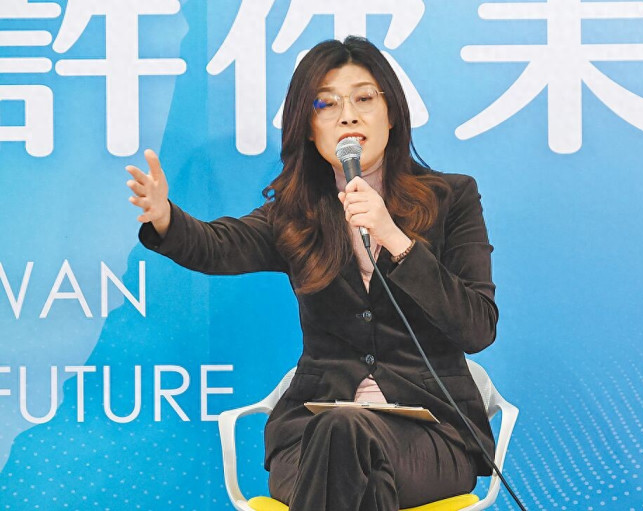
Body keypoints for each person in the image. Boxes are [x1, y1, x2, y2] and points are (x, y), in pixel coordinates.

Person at [126, 36, 498, 511]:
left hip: (430, 435)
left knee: (347, 442)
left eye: (364, 98)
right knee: (346, 450)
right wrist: (165, 219)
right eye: (327, 104)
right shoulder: (297, 214)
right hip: (310, 434)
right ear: (307, 127)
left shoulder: (452, 198)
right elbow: (218, 245)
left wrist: (395, 238)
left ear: (392, 113)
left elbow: (477, 328)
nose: (348, 116)